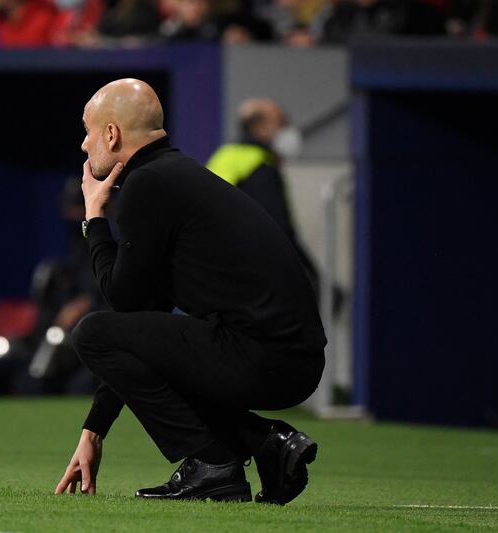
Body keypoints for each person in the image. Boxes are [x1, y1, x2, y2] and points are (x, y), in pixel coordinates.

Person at [55, 79, 325, 503]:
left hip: (265, 357)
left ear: (111, 134)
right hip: (289, 358)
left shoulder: (149, 184)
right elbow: (139, 328)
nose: (84, 144)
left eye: (88, 131)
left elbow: (121, 303)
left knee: (89, 332)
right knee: (122, 338)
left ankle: (213, 464)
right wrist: (94, 430)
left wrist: (94, 218)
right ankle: (267, 443)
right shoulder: (171, 176)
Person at [206, 97, 320, 296]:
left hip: (219, 271)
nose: (288, 129)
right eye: (282, 122)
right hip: (254, 278)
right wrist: (310, 273)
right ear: (258, 129)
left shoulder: (224, 157)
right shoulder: (259, 167)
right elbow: (278, 230)